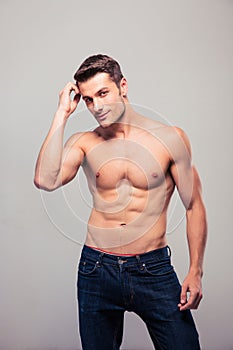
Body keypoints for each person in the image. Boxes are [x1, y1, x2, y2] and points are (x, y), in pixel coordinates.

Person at [34, 54, 207, 350]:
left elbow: (193, 206)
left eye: (103, 93)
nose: (97, 107)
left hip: (152, 269)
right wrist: (62, 113)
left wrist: (196, 270)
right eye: (88, 100)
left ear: (122, 86)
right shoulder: (84, 142)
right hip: (96, 269)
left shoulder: (169, 138)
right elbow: (45, 181)